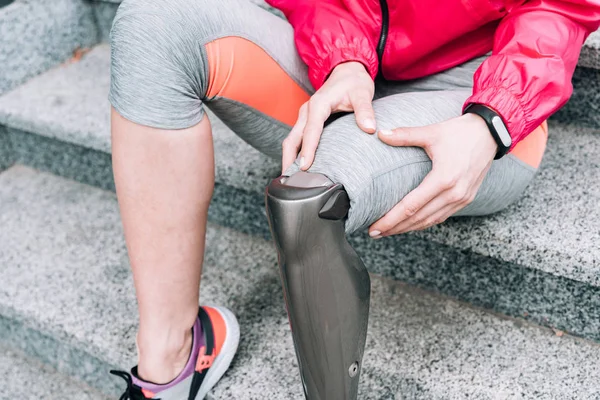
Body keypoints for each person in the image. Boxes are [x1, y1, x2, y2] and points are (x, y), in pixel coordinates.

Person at [107, 0, 600, 398]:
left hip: (480, 90)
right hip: (346, 59)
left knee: (311, 200)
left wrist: (495, 117)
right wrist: (343, 58)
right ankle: (169, 362)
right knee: (152, 23)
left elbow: (561, 7)